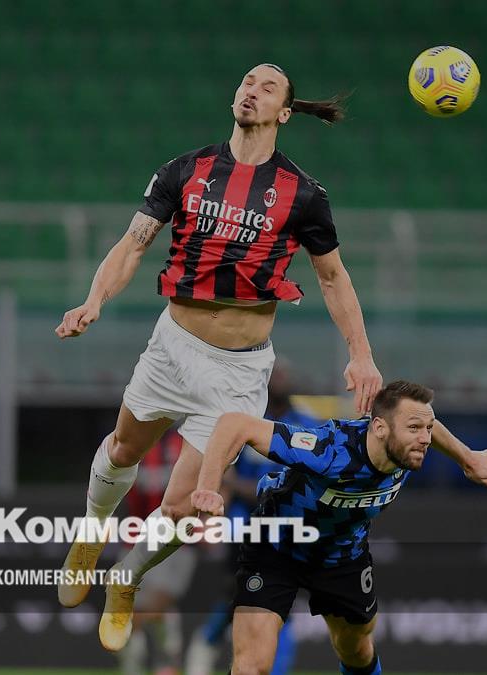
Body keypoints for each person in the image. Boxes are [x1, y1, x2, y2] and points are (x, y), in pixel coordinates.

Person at [54, 62, 384, 653]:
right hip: (173, 346)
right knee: (124, 449)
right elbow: (133, 245)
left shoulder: (304, 194)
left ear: (285, 113)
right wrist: (93, 300)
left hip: (238, 370)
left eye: (267, 87)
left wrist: (361, 355)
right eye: (247, 82)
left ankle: (127, 577)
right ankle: (91, 532)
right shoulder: (185, 170)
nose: (251, 91)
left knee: (184, 506)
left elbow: (333, 278)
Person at [189, 381, 487, 675]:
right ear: (380, 428)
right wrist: (208, 489)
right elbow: (233, 424)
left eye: (427, 429)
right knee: (251, 668)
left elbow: (424, 422)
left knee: (356, 651)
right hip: (275, 549)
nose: (425, 439)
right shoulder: (329, 450)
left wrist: (467, 458)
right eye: (415, 429)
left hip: (342, 558)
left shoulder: (405, 448)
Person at [186, 359, 316, 675]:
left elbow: (307, 481)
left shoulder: (306, 424)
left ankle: (271, 667)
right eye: (275, 375)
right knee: (239, 594)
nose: (280, 379)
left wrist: (255, 489)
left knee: (283, 600)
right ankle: (206, 644)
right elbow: (225, 471)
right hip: (244, 527)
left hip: (286, 528)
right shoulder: (247, 421)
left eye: (284, 375)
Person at [118, 427, 197, 675]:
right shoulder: (135, 439)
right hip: (136, 539)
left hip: (176, 541)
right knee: (143, 608)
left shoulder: (187, 440)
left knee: (158, 603)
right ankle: (144, 663)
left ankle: (165, 661)